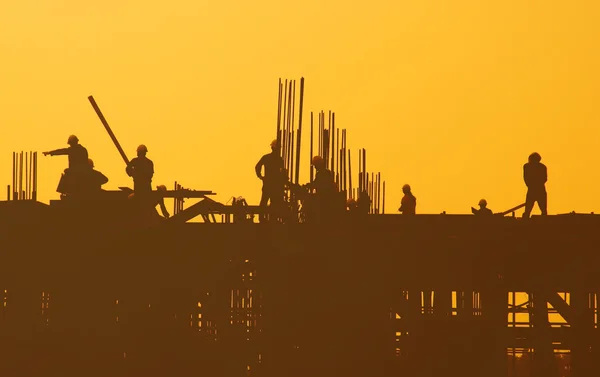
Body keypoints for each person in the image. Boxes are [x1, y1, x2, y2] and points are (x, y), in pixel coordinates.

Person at [255, 140, 286, 222]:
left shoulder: (268, 158)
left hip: (270, 184)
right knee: (272, 202)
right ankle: (271, 219)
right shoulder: (278, 159)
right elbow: (282, 171)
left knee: (265, 201)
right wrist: (261, 177)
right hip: (274, 185)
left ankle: (263, 219)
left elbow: (257, 167)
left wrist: (261, 177)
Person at [522, 152, 547, 218]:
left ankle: (545, 222)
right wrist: (531, 186)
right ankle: (525, 221)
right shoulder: (526, 166)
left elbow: (544, 178)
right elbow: (526, 177)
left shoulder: (542, 167)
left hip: (539, 190)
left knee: (543, 210)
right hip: (533, 190)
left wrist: (534, 186)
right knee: (528, 210)